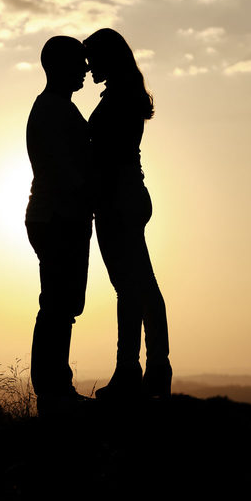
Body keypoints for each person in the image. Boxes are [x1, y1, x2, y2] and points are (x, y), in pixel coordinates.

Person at [84, 28, 171, 400]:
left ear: (109, 58)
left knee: (131, 288)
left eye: (92, 58)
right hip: (128, 197)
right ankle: (151, 369)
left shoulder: (119, 98)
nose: (87, 67)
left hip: (119, 200)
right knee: (143, 286)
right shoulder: (124, 95)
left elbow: (106, 155)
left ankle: (132, 372)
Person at [25, 36, 93, 415]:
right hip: (57, 217)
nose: (85, 69)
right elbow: (65, 171)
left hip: (58, 216)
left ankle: (55, 387)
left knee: (61, 304)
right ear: (60, 66)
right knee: (57, 304)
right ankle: (52, 390)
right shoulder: (54, 110)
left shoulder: (57, 107)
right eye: (79, 63)